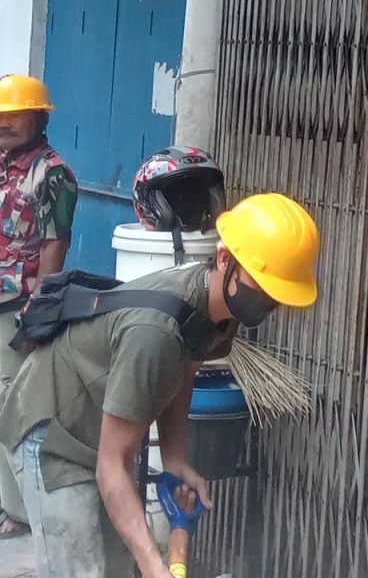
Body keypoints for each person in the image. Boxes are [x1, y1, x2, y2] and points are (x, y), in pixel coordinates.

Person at [0, 190, 320, 578]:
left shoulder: (218, 309)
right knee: (81, 568)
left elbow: (183, 373)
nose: (268, 300)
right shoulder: (155, 334)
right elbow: (111, 465)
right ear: (224, 259)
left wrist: (175, 459)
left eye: (278, 293)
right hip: (51, 426)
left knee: (116, 567)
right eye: (263, 285)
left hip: (101, 425)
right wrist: (155, 567)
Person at [0, 75, 78, 540]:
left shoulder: (52, 174)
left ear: (39, 117)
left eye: (16, 114)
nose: (5, 123)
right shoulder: (4, 164)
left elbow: (54, 246)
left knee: (13, 406)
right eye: (0, 115)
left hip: (17, 310)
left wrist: (39, 314)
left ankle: (21, 512)